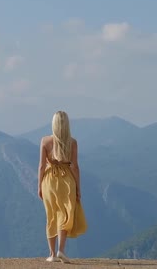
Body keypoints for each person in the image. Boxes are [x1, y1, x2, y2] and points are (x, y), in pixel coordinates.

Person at [38, 111, 87, 263]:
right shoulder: (72, 142)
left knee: (51, 214)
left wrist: (39, 185)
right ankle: (61, 250)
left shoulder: (45, 141)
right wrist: (78, 188)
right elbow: (75, 167)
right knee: (65, 214)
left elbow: (41, 166)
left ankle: (52, 254)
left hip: (49, 180)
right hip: (66, 180)